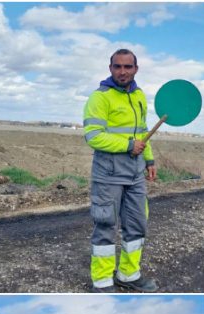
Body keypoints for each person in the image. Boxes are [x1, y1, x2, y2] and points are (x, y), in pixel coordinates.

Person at [82, 48, 158, 293]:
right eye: (118, 66)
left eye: (128, 66)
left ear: (136, 69)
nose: (123, 71)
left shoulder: (139, 96)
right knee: (105, 225)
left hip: (135, 175)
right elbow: (93, 137)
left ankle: (128, 275)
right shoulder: (100, 97)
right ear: (110, 68)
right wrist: (127, 145)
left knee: (137, 225)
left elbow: (143, 133)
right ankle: (102, 282)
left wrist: (149, 160)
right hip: (108, 175)